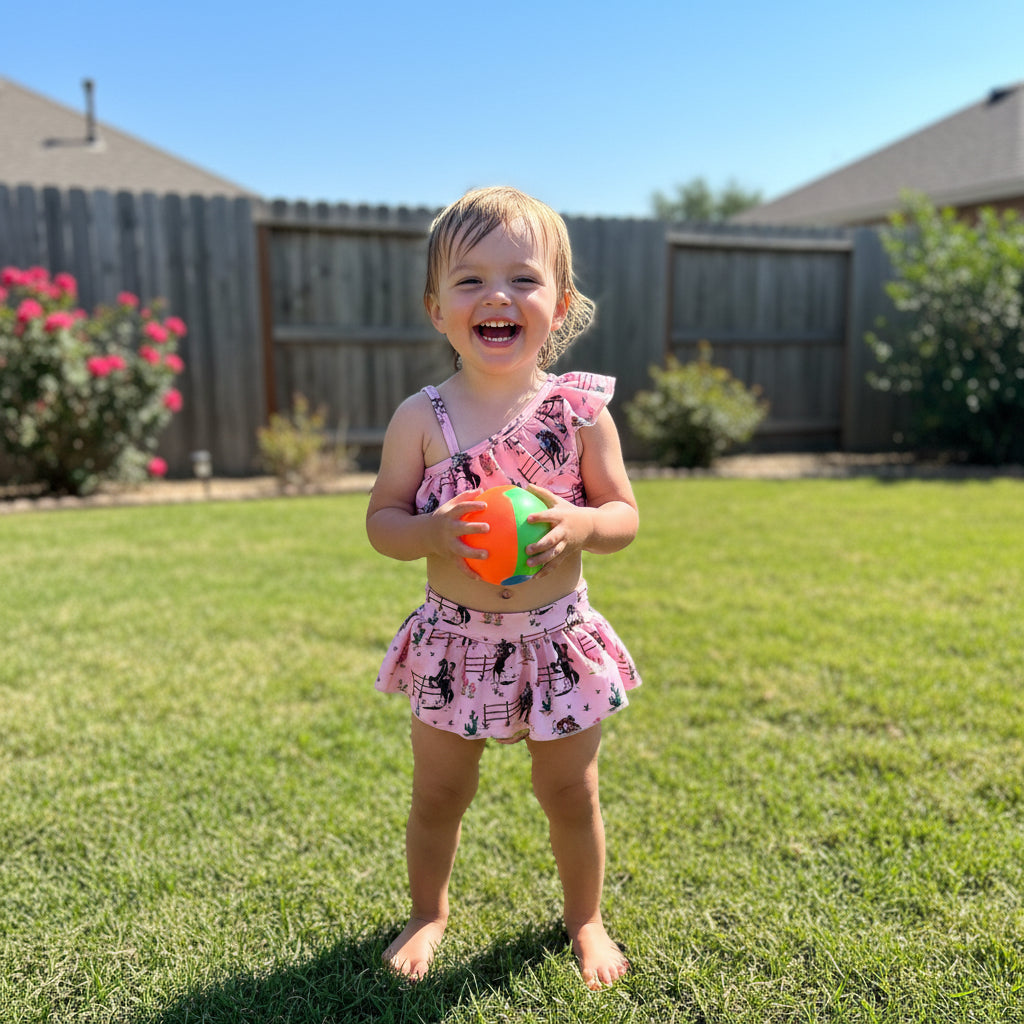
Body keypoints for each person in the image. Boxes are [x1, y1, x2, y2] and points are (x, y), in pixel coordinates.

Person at [366, 186, 640, 991]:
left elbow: (623, 513)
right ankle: (428, 911)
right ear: (437, 309)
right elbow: (382, 520)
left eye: (523, 278)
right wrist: (427, 532)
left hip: (557, 641)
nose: (498, 296)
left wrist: (583, 525)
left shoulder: (579, 413)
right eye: (470, 280)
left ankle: (585, 919)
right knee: (440, 792)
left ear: (559, 306)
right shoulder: (420, 419)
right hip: (455, 642)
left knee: (569, 792)